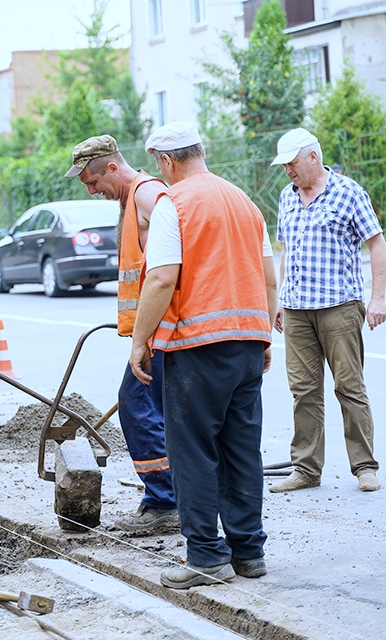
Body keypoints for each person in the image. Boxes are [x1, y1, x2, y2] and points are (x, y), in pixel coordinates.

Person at [129, 122, 277, 589]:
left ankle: (206, 558)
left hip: (198, 346)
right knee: (241, 448)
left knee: (192, 451)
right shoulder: (245, 202)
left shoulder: (176, 203)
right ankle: (248, 552)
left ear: (166, 162)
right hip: (249, 342)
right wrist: (263, 334)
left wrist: (140, 340)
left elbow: (160, 279)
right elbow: (270, 276)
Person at [65, 134, 178, 534]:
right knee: (160, 413)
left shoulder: (149, 194)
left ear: (112, 167)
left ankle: (166, 500)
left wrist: (141, 338)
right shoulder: (132, 200)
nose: (94, 191)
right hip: (156, 329)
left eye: (94, 182)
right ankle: (170, 496)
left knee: (135, 405)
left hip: (163, 329)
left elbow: (166, 271)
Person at [268, 128, 386, 494]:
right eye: (284, 165)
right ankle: (306, 469)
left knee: (349, 387)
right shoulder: (287, 198)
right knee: (303, 391)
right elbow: (286, 250)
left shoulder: (348, 192)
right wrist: (280, 300)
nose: (288, 170)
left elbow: (377, 244)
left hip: (340, 307)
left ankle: (365, 467)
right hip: (298, 310)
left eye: (292, 163)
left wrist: (378, 298)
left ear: (313, 157)